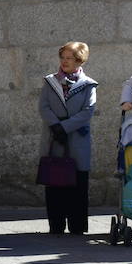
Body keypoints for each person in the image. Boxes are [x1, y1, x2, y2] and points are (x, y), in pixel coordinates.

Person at [39, 42, 98, 236]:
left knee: (78, 184)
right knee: (54, 181)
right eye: (62, 57)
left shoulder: (88, 85)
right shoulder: (50, 82)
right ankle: (56, 225)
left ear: (79, 60)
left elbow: (88, 111)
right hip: (54, 137)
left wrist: (65, 127)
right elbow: (44, 107)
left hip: (77, 139)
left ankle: (77, 226)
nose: (64, 62)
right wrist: (56, 126)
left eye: (69, 58)